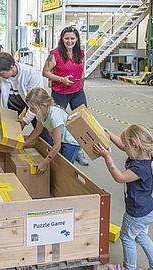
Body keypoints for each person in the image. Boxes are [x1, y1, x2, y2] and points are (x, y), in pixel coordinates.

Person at [93, 125, 153, 270]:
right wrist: (106, 132)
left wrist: (107, 158)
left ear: (135, 144)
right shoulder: (143, 154)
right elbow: (122, 144)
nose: (124, 149)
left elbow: (120, 177)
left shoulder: (140, 168)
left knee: (127, 237)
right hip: (148, 209)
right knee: (142, 237)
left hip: (137, 213)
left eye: (127, 146)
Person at [0, 53, 52, 144]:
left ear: (12, 66)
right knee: (9, 133)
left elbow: (37, 101)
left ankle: (51, 151)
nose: (0, 76)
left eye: (2, 73)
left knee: (43, 132)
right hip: (12, 102)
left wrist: (25, 121)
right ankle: (10, 154)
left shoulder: (31, 73)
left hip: (33, 103)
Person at [42, 26, 89, 166]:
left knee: (81, 122)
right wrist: (61, 79)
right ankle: (59, 149)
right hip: (60, 93)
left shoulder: (80, 53)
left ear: (77, 39)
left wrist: (81, 85)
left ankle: (79, 150)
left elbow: (82, 72)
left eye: (72, 38)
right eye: (66, 38)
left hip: (77, 92)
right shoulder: (55, 54)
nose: (69, 41)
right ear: (62, 39)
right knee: (57, 123)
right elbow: (45, 72)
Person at [24, 88, 80, 172]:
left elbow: (57, 144)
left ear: (44, 105)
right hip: (60, 139)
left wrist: (44, 163)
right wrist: (25, 143)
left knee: (65, 168)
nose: (30, 111)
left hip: (71, 142)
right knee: (56, 163)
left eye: (32, 108)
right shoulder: (40, 113)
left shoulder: (54, 117)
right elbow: (37, 130)